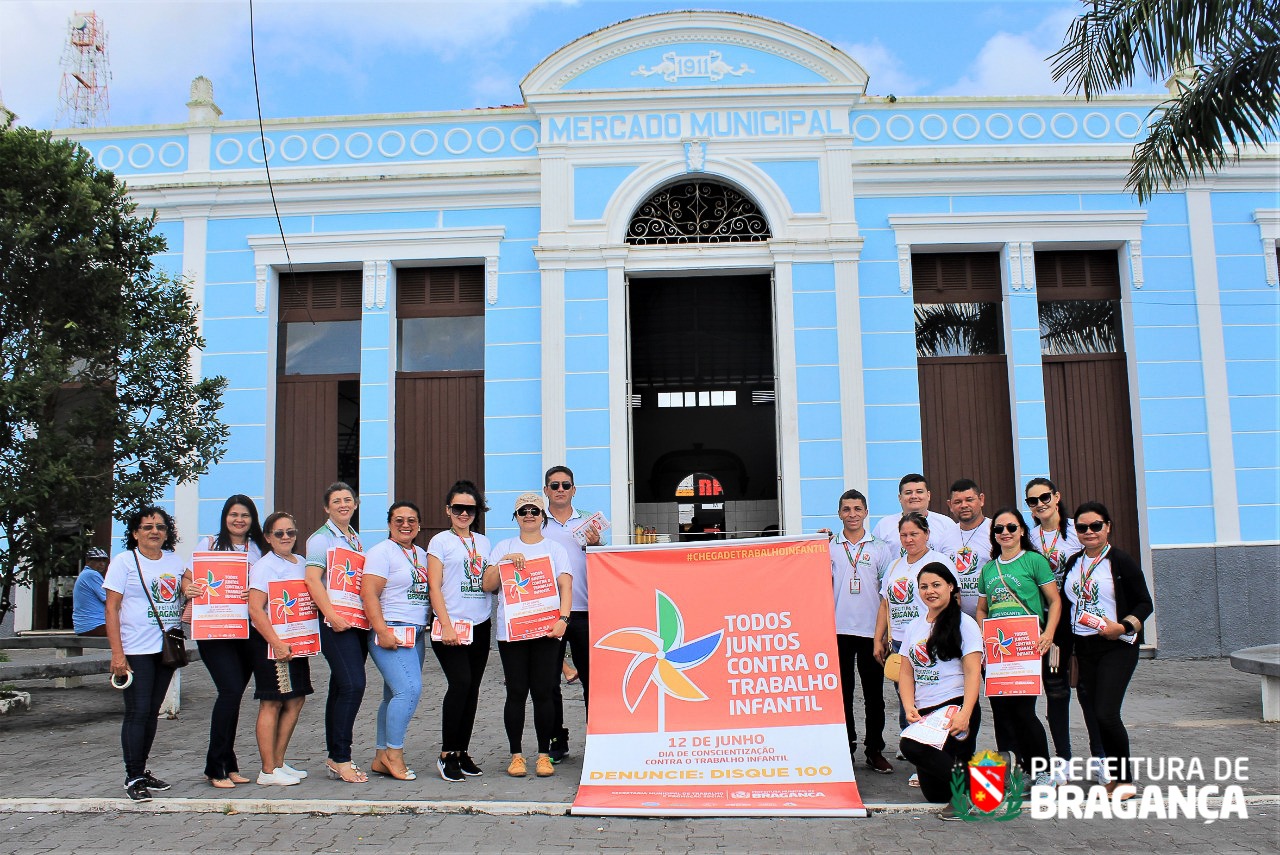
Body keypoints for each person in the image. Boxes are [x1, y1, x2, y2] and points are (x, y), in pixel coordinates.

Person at [105, 505, 202, 802]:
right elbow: (112, 608)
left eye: (160, 527)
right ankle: (133, 775)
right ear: (135, 533)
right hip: (136, 649)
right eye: (147, 527)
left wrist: (188, 587)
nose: (154, 531)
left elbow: (188, 578)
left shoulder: (172, 559)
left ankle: (142, 770)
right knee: (137, 712)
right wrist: (117, 655)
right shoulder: (124, 562)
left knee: (152, 713)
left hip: (166, 648)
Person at [1060, 501, 1153, 798]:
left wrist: (1124, 627)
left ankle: (1124, 780)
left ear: (1108, 527)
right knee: (1093, 712)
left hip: (1115, 645)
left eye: (1095, 526)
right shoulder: (1074, 562)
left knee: (1107, 712)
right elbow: (1068, 606)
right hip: (1083, 646)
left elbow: (1144, 603)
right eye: (1082, 527)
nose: (1089, 532)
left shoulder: (1120, 561)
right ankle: (1111, 776)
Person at [484, 492, 572, 779]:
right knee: (517, 692)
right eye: (524, 511)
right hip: (513, 634)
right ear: (516, 517)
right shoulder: (503, 546)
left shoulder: (555, 549)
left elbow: (565, 586)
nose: (529, 515)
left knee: (544, 693)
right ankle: (516, 755)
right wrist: (505, 561)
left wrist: (563, 619)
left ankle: (544, 755)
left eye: (535, 510)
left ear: (543, 516)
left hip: (547, 631)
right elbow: (487, 584)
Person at [181, 495, 267, 789]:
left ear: (253, 520)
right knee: (229, 692)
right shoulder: (208, 544)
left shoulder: (259, 548)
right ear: (225, 517)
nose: (239, 520)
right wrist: (189, 588)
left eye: (245, 515)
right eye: (234, 514)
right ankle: (214, 767)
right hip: (215, 630)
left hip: (246, 630)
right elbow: (188, 577)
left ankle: (228, 764)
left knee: (233, 698)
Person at [1024, 477, 1104, 777]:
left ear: (1056, 497)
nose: (1040, 504)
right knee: (1056, 692)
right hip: (1050, 628)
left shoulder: (1078, 530)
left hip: (1080, 622)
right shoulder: (1029, 539)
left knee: (1087, 690)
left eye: (1044, 497)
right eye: (1033, 501)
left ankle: (1099, 758)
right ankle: (1064, 760)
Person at [975, 507, 1060, 787]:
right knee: (1001, 713)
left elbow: (1055, 601)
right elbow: (982, 609)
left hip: (1026, 647)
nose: (1005, 533)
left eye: (1011, 527)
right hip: (998, 651)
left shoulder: (1034, 561)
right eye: (999, 529)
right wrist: (983, 638)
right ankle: (1015, 770)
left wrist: (1047, 633)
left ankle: (1042, 770)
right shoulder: (988, 569)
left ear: (1022, 530)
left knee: (1024, 712)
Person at [898, 562, 983, 818]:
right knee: (935, 794)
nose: (930, 591)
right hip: (925, 711)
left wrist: (965, 712)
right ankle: (992, 773)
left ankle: (968, 794)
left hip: (953, 706)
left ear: (950, 586)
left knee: (911, 746)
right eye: (924, 586)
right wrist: (908, 705)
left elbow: (972, 672)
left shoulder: (965, 624)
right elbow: (905, 670)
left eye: (936, 585)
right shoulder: (914, 626)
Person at [426, 480, 493, 783]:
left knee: (472, 689)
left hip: (479, 624)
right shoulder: (440, 541)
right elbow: (434, 586)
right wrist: (447, 624)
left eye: (469, 508)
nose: (463, 513)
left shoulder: (484, 542)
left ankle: (462, 752)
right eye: (458, 508)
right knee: (460, 683)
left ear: (477, 511)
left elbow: (491, 580)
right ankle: (445, 754)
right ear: (448, 510)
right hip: (450, 627)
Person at [826, 489, 896, 773]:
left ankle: (874, 749)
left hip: (871, 633)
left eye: (857, 509)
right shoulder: (829, 545)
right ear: (839, 513)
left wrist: (885, 633)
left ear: (866, 512)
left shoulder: (880, 547)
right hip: (838, 631)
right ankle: (847, 747)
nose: (852, 514)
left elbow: (887, 594)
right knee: (842, 694)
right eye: (846, 509)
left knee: (874, 695)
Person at [303, 481, 368, 784]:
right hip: (335, 623)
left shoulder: (354, 538)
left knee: (341, 688)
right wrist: (332, 615)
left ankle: (334, 756)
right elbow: (313, 580)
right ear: (326, 508)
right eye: (336, 501)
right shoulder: (320, 540)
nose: (343, 504)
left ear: (355, 504)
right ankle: (341, 756)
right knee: (354, 684)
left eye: (348, 500)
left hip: (356, 622)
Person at [540, 465, 604, 763]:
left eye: (566, 485)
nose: (561, 490)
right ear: (546, 491)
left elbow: (604, 563)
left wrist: (597, 546)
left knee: (592, 679)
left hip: (586, 611)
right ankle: (556, 738)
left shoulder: (591, 523)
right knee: (549, 680)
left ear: (574, 490)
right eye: (555, 485)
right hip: (550, 614)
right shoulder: (538, 524)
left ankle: (596, 737)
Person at [364, 501, 431, 782]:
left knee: (392, 695)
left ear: (418, 524)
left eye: (412, 520)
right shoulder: (381, 552)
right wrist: (381, 631)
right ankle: (394, 753)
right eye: (399, 520)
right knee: (409, 690)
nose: (406, 525)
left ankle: (380, 756)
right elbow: (369, 594)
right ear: (389, 523)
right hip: (391, 630)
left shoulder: (422, 554)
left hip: (415, 634)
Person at [247, 512, 313, 786]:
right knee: (272, 701)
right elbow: (255, 608)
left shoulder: (302, 563)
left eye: (290, 532)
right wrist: (275, 642)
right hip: (270, 642)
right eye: (279, 533)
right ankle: (267, 770)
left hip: (297, 642)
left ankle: (279, 761)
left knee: (296, 699)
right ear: (268, 538)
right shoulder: (265, 566)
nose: (286, 537)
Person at [871, 474, 961, 561]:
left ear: (928, 495)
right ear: (900, 497)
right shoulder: (883, 526)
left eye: (919, 492)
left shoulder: (946, 524)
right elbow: (875, 560)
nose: (914, 496)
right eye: (908, 493)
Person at [947, 479, 991, 618]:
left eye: (969, 500)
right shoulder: (945, 536)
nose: (964, 505)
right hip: (956, 620)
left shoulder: (996, 531)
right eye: (958, 502)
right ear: (950, 505)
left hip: (990, 617)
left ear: (981, 499)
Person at [72, 547, 110, 636]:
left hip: (85, 626)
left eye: (104, 561)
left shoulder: (85, 574)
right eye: (98, 561)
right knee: (134, 631)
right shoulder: (91, 574)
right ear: (88, 561)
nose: (102, 564)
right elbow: (109, 600)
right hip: (94, 625)